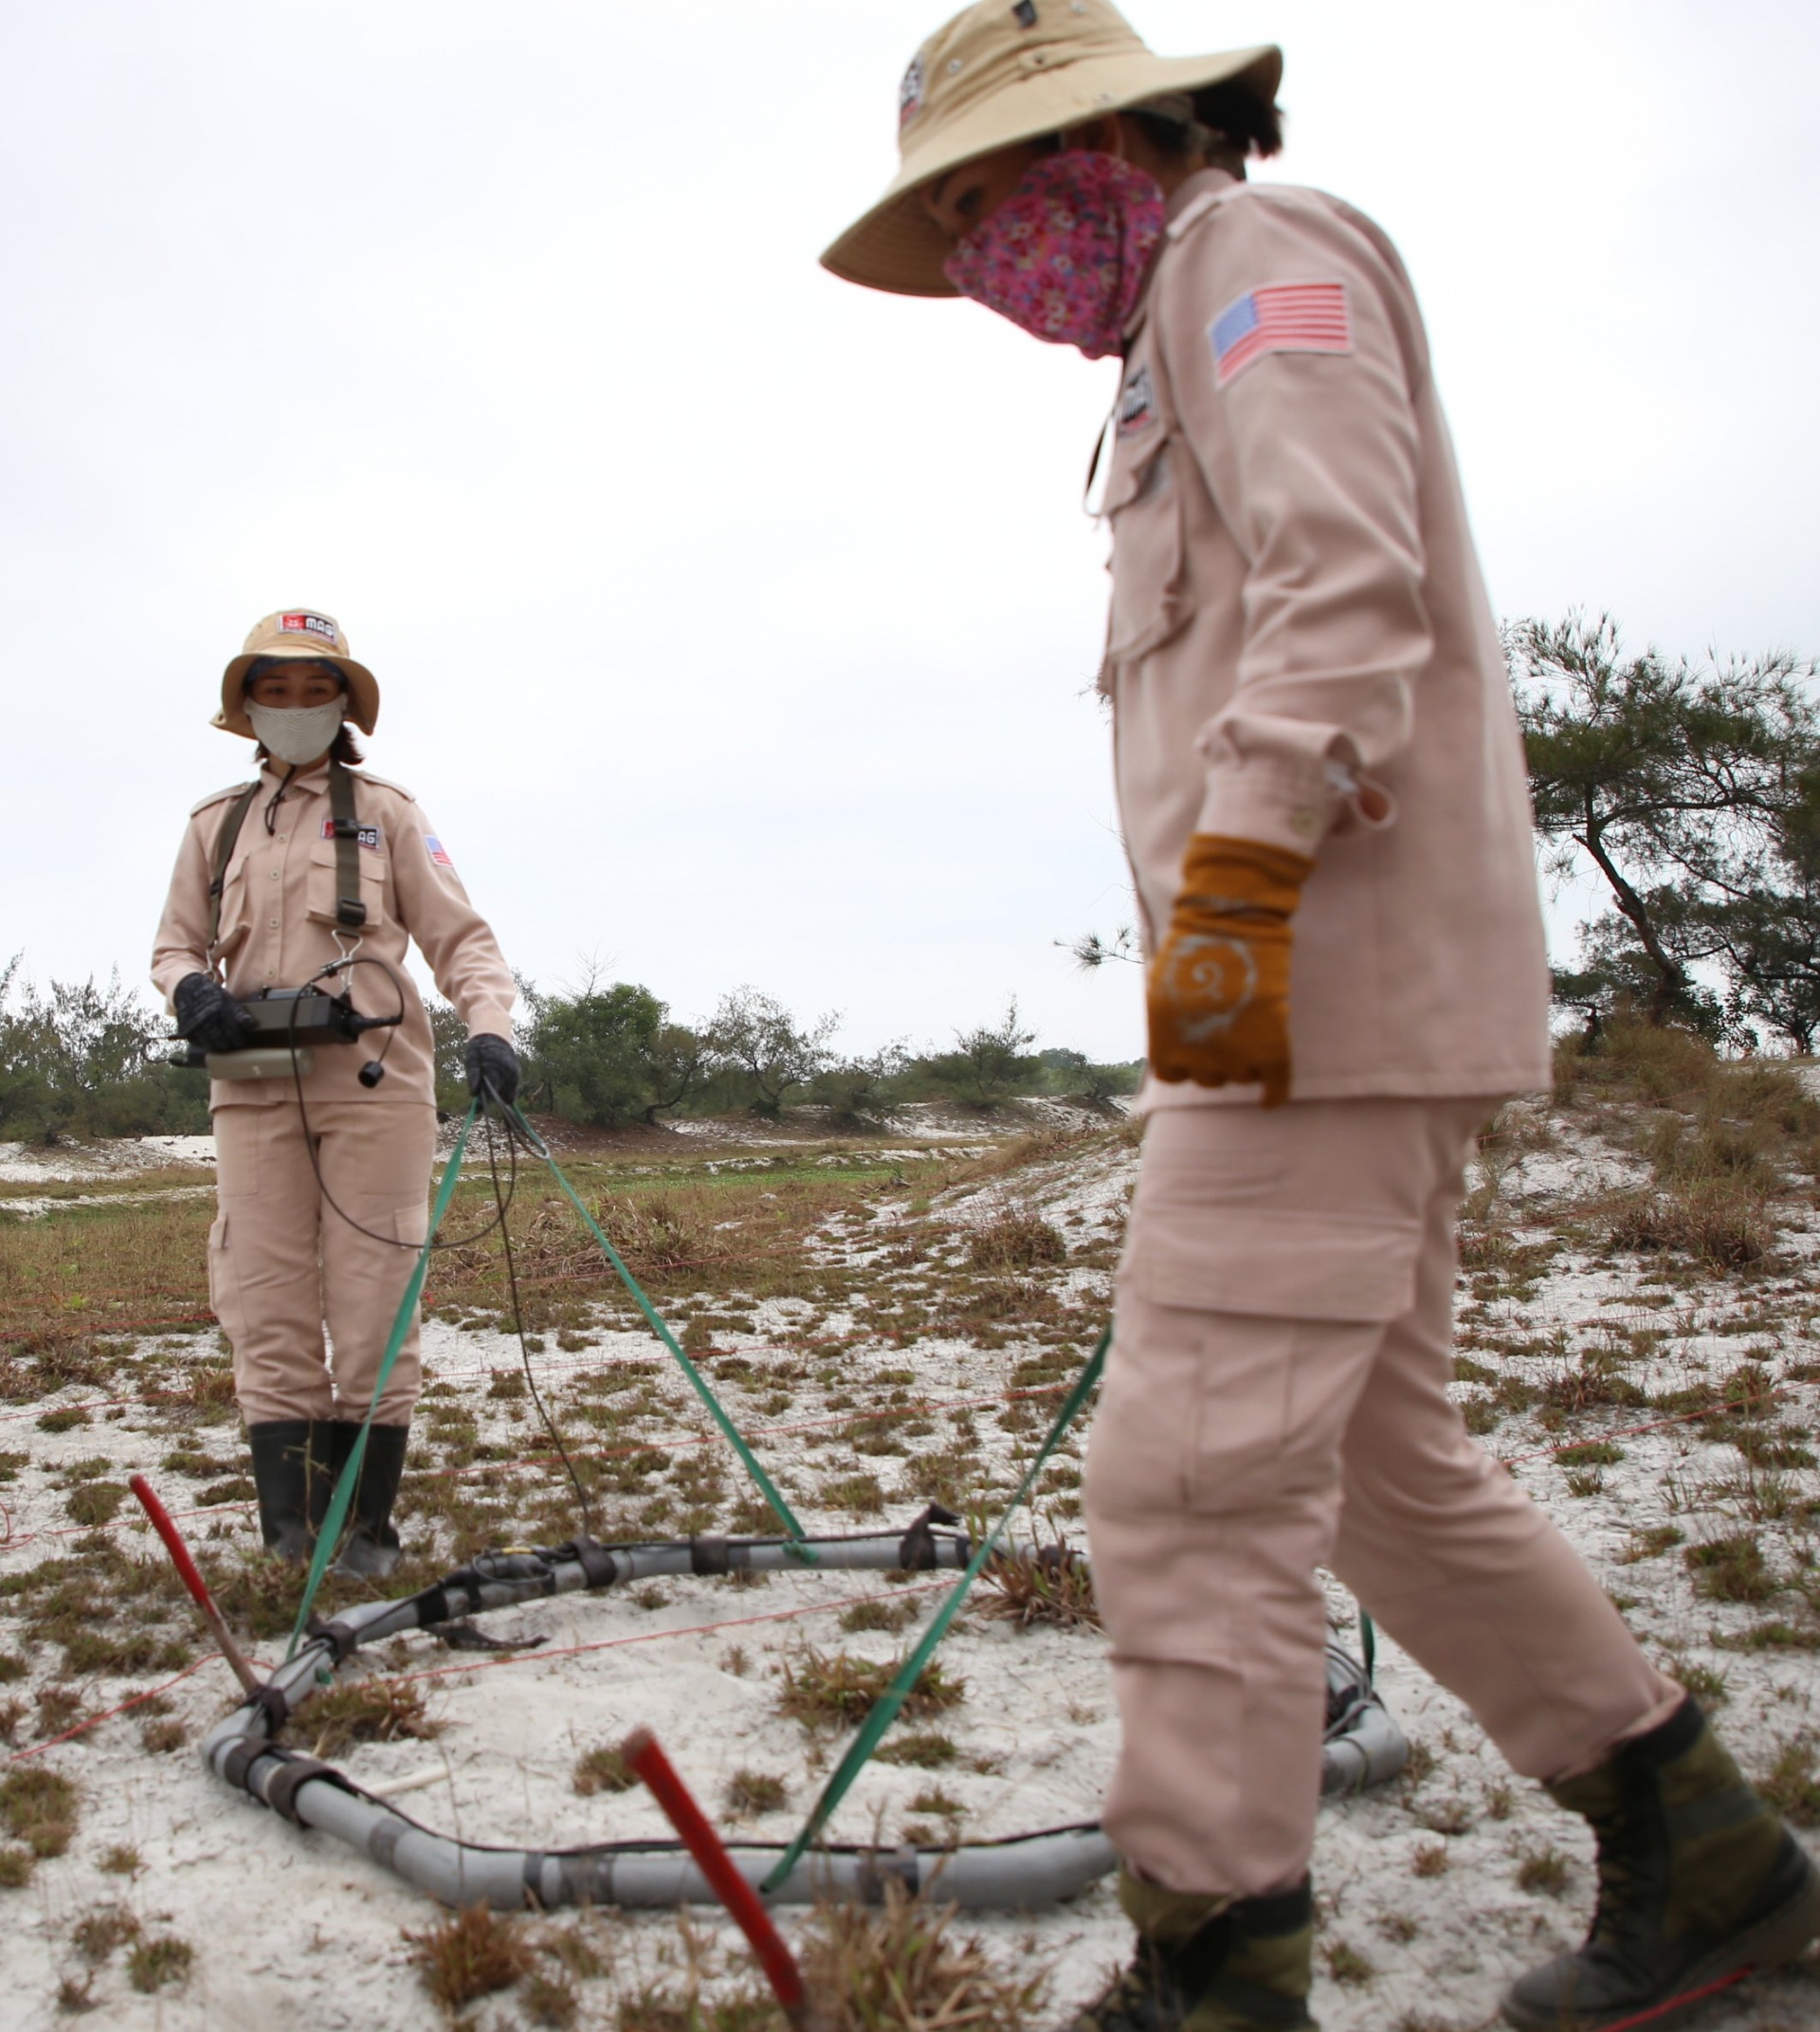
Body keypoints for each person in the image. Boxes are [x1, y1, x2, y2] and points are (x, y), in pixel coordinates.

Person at [821, 7, 1820, 2028]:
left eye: (984, 194)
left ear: (1109, 139)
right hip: (1305, 1001)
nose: (980, 245)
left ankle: (1216, 1978)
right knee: (1381, 1471)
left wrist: (1247, 878)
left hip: (1305, 991)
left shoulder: (1256, 268)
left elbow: (1350, 589)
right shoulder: (1166, 341)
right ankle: (1706, 1853)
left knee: (1187, 1488)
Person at [152, 608, 519, 1577]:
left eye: (316, 688)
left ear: (344, 701)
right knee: (261, 1297)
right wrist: (192, 989)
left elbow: (463, 940)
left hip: (374, 1084)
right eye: (275, 688)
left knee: (373, 1298)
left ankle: (366, 1533)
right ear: (248, 705)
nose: (295, 705)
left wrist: (490, 1029)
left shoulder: (390, 810)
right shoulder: (213, 823)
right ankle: (290, 1531)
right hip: (250, 1088)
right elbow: (174, 944)